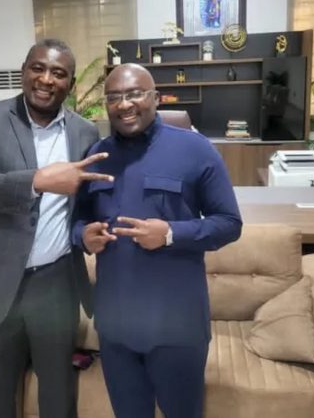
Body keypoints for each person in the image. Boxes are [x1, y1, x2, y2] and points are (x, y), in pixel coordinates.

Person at [0, 39, 113, 418]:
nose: (46, 79)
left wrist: (85, 232)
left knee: (57, 389)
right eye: (38, 68)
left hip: (56, 285)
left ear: (70, 84)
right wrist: (36, 181)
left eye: (59, 73)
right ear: (24, 71)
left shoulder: (85, 133)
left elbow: (85, 204)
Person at [73, 63, 243, 418]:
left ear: (156, 98)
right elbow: (77, 221)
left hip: (177, 326)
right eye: (114, 97)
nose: (124, 104)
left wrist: (169, 234)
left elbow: (229, 223)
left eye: (134, 94)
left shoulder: (195, 149)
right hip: (116, 326)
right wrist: (83, 236)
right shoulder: (96, 156)